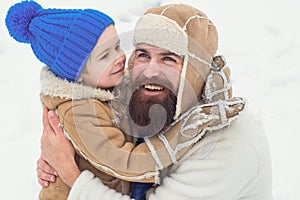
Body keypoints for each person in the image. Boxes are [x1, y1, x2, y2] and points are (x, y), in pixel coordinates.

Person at [6, 2, 243, 200]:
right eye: (105, 55)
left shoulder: (101, 85)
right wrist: (183, 134)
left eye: (117, 46)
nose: (120, 58)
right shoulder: (80, 111)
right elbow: (125, 161)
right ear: (78, 75)